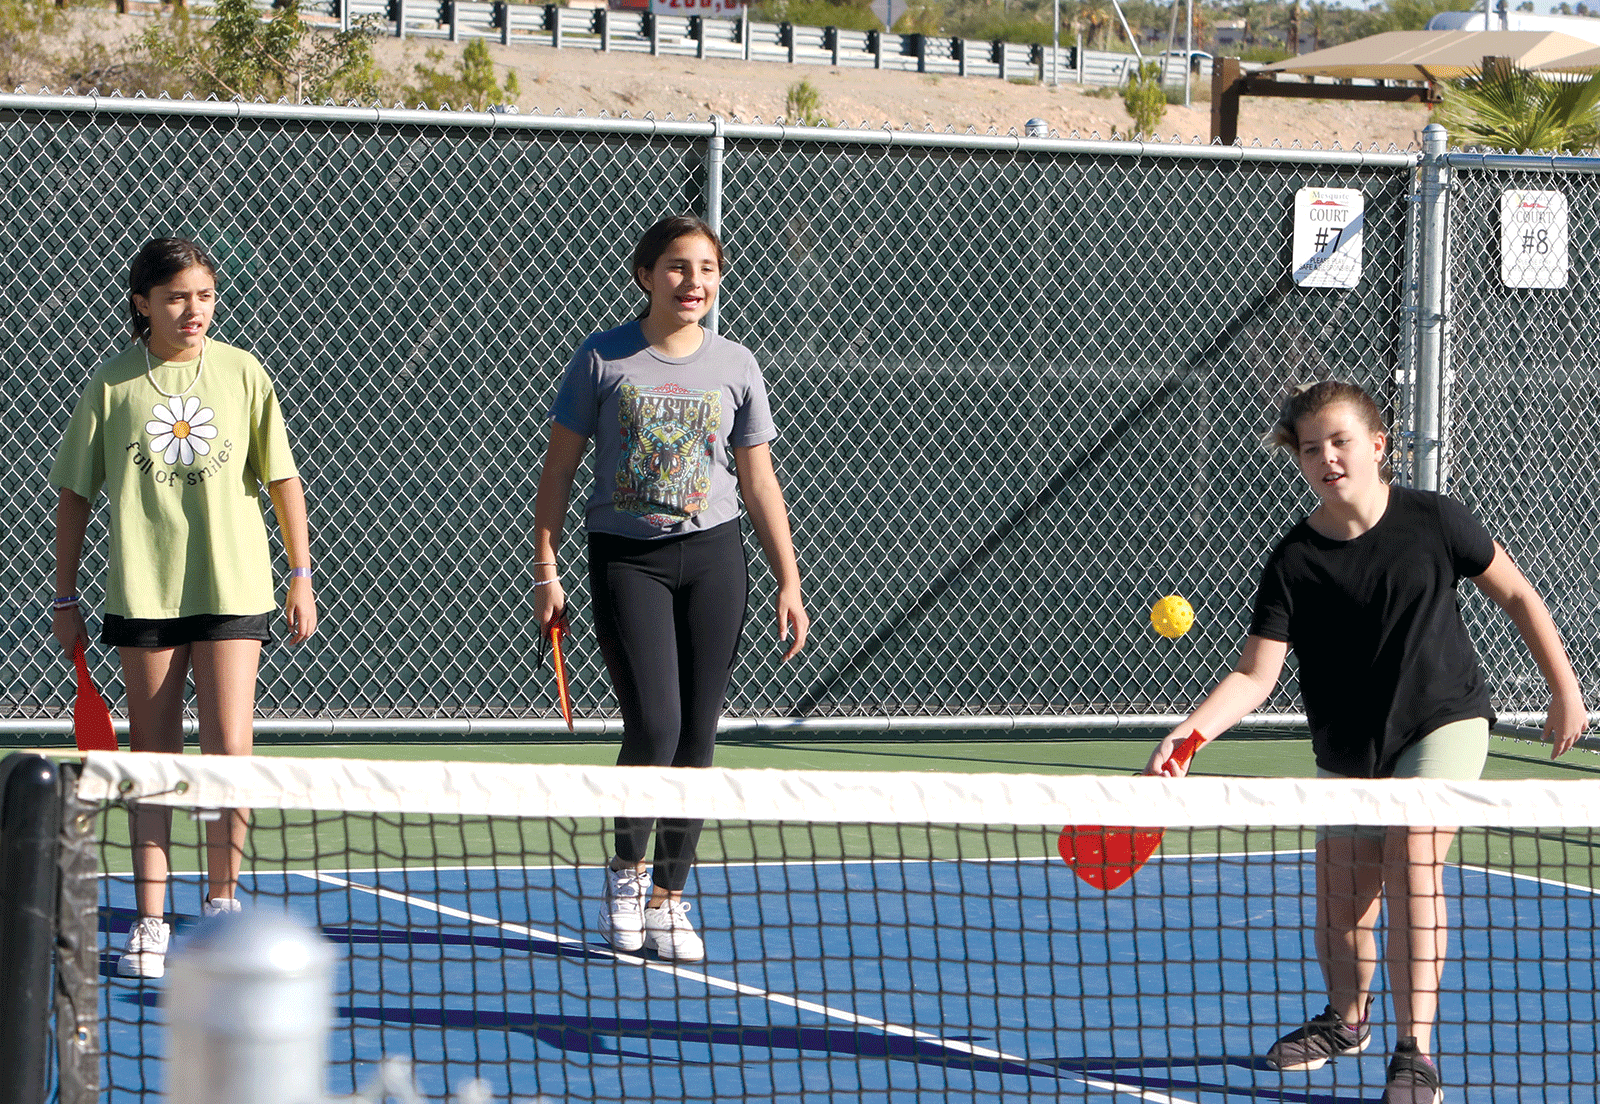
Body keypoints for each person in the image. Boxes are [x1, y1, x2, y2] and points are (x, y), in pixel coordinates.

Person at [1144, 381, 1586, 1104]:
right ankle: (1348, 1022)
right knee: (1341, 905)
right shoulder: (1294, 560)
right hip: (1350, 748)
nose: (1327, 459)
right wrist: (1188, 735)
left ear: (1379, 447)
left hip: (1444, 721)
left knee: (1414, 855)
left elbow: (1518, 595)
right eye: (1312, 449)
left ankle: (1415, 1054)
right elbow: (1256, 676)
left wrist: (1563, 687)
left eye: (1341, 442)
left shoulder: (1436, 520)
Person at [533, 214, 809, 964]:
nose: (695, 283)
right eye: (679, 268)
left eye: (708, 270)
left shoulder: (738, 365)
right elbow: (557, 470)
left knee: (697, 737)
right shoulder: (602, 358)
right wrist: (546, 569)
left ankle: (668, 900)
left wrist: (789, 578)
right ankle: (625, 879)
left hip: (716, 560)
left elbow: (758, 480)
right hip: (628, 560)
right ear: (647, 275)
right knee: (653, 726)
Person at [50, 237, 318, 980]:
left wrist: (301, 574)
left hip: (234, 590)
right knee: (155, 757)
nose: (192, 309)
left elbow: (283, 480)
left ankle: (223, 905)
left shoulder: (242, 372)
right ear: (143, 303)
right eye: (175, 297)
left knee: (231, 748)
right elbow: (75, 495)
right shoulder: (111, 385)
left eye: (203, 294)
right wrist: (64, 594)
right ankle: (152, 917)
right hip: (144, 595)